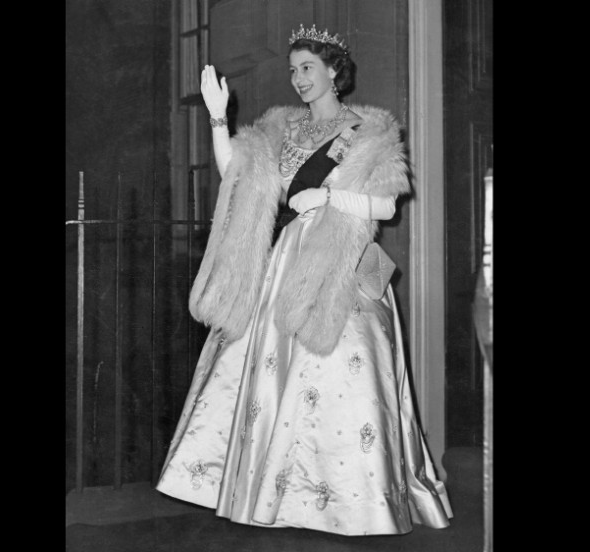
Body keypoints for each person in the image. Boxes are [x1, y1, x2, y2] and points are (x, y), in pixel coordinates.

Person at [155, 24, 453, 536]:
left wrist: (329, 198)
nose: (298, 79)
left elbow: (384, 203)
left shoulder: (369, 132)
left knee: (344, 379)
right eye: (293, 70)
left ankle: (348, 502)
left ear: (334, 70)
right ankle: (275, 496)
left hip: (337, 263)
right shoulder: (283, 129)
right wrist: (219, 118)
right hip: (282, 263)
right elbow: (237, 174)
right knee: (265, 376)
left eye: (307, 68)